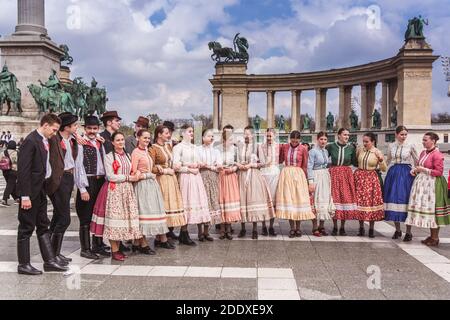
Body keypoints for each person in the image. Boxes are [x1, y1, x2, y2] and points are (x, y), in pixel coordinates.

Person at [17, 114, 68, 275]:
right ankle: (23, 264)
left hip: (40, 190)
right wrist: (24, 196)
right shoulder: (31, 141)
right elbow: (23, 170)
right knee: (26, 227)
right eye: (53, 130)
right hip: (30, 192)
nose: (54, 133)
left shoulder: (44, 140)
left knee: (43, 225)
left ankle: (50, 261)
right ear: (45, 125)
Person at [47, 112, 84, 267]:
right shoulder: (55, 139)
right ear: (67, 127)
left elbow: (77, 161)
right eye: (75, 125)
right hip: (59, 179)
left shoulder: (74, 141)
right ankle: (52, 255)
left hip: (69, 178)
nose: (77, 127)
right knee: (64, 218)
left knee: (57, 216)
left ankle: (53, 252)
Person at [103, 132, 146, 261]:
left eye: (122, 140)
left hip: (127, 190)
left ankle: (120, 247)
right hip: (116, 190)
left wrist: (137, 173)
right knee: (115, 220)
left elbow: (133, 169)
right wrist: (128, 177)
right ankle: (114, 250)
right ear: (112, 142)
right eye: (118, 140)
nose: (121, 142)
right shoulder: (109, 156)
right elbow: (110, 176)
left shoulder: (127, 155)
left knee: (125, 218)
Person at [131, 129, 173, 250]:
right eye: (144, 138)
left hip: (151, 184)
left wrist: (156, 167)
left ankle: (142, 242)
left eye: (149, 138)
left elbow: (150, 167)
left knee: (155, 210)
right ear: (138, 138)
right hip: (142, 185)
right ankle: (142, 243)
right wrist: (144, 174)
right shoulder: (136, 152)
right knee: (143, 212)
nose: (147, 140)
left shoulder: (146, 152)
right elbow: (134, 172)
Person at [406, 132, 450, 246]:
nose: (423, 142)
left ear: (433, 141)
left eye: (426, 140)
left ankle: (435, 238)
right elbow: (419, 166)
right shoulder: (423, 152)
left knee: (433, 210)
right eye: (423, 140)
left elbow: (439, 172)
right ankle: (431, 236)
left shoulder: (437, 154)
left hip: (434, 184)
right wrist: (415, 170)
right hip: (422, 183)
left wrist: (424, 170)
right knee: (428, 211)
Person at [75, 115, 110, 259]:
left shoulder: (100, 142)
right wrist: (82, 188)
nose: (92, 131)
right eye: (89, 128)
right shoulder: (80, 143)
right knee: (85, 217)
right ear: (85, 128)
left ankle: (98, 244)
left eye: (95, 128)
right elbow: (78, 167)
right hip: (88, 181)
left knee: (99, 215)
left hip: (101, 181)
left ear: (98, 129)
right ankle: (85, 248)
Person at [149, 125, 189, 243]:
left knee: (170, 206)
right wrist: (163, 169)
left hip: (171, 180)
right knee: (163, 207)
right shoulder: (153, 148)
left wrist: (175, 166)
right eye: (166, 133)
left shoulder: (168, 146)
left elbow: (171, 161)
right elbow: (150, 167)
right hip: (161, 180)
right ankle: (161, 238)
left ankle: (163, 236)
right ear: (159, 134)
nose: (169, 135)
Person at [173, 124, 211, 243]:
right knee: (185, 203)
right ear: (183, 133)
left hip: (196, 178)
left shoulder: (195, 147)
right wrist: (189, 168)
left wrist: (198, 164)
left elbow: (199, 161)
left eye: (192, 132)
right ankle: (184, 232)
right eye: (189, 131)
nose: (191, 133)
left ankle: (185, 233)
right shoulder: (178, 147)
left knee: (195, 202)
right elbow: (175, 165)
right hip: (185, 177)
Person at [237, 126, 274, 239]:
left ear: (253, 135)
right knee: (242, 200)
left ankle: (254, 229)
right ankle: (242, 228)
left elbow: (265, 162)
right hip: (241, 175)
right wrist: (239, 165)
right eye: (245, 134)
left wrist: (251, 165)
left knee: (253, 200)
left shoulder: (258, 147)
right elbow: (235, 160)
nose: (246, 136)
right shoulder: (240, 146)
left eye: (248, 134)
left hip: (253, 175)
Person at [276, 130, 315, 238]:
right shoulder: (285, 147)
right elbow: (279, 159)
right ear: (290, 139)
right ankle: (292, 228)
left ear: (299, 140)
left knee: (298, 200)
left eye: (296, 139)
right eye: (292, 139)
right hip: (286, 174)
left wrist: (307, 181)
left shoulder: (303, 149)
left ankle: (298, 228)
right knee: (289, 201)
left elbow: (305, 165)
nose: (294, 141)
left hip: (299, 175)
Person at [384, 126, 419, 241]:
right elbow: (388, 160)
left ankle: (408, 232)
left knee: (406, 200)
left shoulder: (411, 145)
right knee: (393, 199)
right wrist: (379, 166)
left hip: (406, 174)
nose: (403, 137)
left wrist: (417, 171)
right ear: (396, 134)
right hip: (393, 173)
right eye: (401, 134)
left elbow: (417, 160)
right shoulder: (391, 146)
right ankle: (398, 229)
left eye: (405, 134)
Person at [354, 133, 387, 238]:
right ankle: (361, 227)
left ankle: (371, 228)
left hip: (371, 178)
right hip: (359, 177)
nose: (364, 143)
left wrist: (381, 160)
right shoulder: (360, 150)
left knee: (371, 202)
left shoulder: (377, 152)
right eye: (363, 141)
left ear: (372, 142)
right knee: (360, 202)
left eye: (367, 141)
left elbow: (384, 169)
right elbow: (356, 162)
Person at [326, 128, 358, 236]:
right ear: (338, 135)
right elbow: (325, 159)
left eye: (348, 135)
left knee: (345, 198)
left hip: (346, 175)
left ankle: (343, 227)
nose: (347, 137)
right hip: (334, 174)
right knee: (335, 199)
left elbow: (355, 162)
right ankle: (335, 226)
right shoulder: (331, 146)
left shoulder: (351, 148)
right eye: (345, 135)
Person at [307, 132, 335, 236]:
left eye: (325, 139)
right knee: (316, 200)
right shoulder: (312, 151)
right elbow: (309, 166)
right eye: (321, 139)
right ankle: (314, 227)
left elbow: (327, 164)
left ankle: (321, 226)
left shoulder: (326, 151)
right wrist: (311, 181)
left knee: (324, 199)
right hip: (316, 176)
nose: (323, 141)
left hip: (325, 176)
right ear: (317, 140)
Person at [216, 125, 241, 239]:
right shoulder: (218, 149)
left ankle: (229, 227)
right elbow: (215, 162)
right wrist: (220, 167)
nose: (231, 141)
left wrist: (234, 169)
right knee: (222, 200)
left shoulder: (235, 149)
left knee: (230, 200)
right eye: (229, 138)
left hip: (231, 176)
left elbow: (238, 163)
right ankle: (222, 228)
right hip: (221, 176)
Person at [198, 129, 223, 232]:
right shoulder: (198, 149)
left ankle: (206, 232)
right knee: (202, 202)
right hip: (201, 177)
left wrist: (209, 166)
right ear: (203, 138)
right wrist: (209, 166)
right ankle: (200, 231)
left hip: (212, 177)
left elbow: (219, 165)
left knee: (211, 202)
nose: (211, 138)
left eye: (212, 136)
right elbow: (198, 163)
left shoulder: (216, 151)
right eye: (208, 136)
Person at [257, 128, 279, 236]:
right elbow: (259, 160)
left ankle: (271, 226)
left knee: (273, 200)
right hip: (263, 173)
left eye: (271, 136)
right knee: (264, 200)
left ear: (274, 136)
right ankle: (263, 226)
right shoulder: (260, 147)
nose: (269, 138)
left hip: (274, 173)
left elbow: (280, 159)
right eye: (267, 136)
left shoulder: (278, 146)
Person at [2, 140, 19, 206]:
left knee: (11, 185)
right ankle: (4, 199)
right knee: (10, 185)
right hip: (13, 171)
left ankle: (16, 198)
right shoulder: (17, 152)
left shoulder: (3, 152)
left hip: (5, 171)